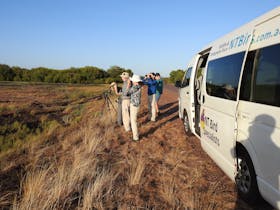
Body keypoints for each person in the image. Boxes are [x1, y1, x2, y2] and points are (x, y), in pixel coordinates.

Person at [127, 74, 142, 141]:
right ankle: (135, 135)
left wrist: (128, 85)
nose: (132, 81)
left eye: (132, 80)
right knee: (133, 120)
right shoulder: (138, 86)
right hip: (136, 105)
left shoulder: (135, 87)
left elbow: (127, 93)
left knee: (133, 121)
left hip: (134, 105)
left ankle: (135, 137)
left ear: (135, 81)